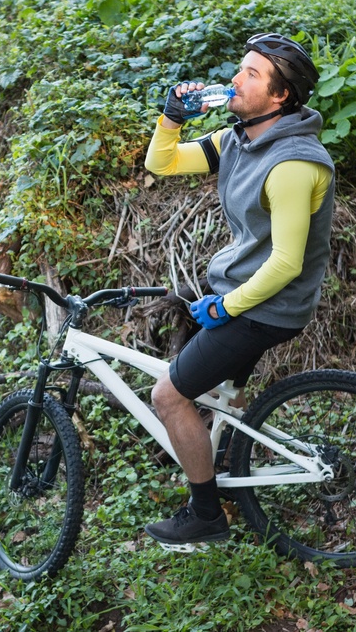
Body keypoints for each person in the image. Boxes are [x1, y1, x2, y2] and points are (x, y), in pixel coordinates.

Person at [142, 33, 335, 546]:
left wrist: (224, 306)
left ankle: (205, 514)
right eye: (240, 69)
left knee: (169, 395)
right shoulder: (237, 141)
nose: (234, 79)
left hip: (267, 306)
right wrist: (171, 120)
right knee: (219, 395)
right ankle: (228, 463)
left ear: (280, 97)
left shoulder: (293, 163)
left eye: (251, 74)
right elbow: (160, 165)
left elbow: (287, 263)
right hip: (246, 294)